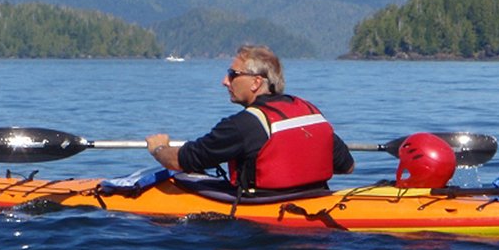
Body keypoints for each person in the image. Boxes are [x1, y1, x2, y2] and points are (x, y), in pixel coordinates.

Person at [146, 45, 354, 192]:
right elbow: (347, 166)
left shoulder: (241, 126)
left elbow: (182, 160)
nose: (225, 81)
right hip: (316, 205)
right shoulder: (310, 112)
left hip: (261, 228)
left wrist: (159, 148)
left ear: (256, 82)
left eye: (232, 74)